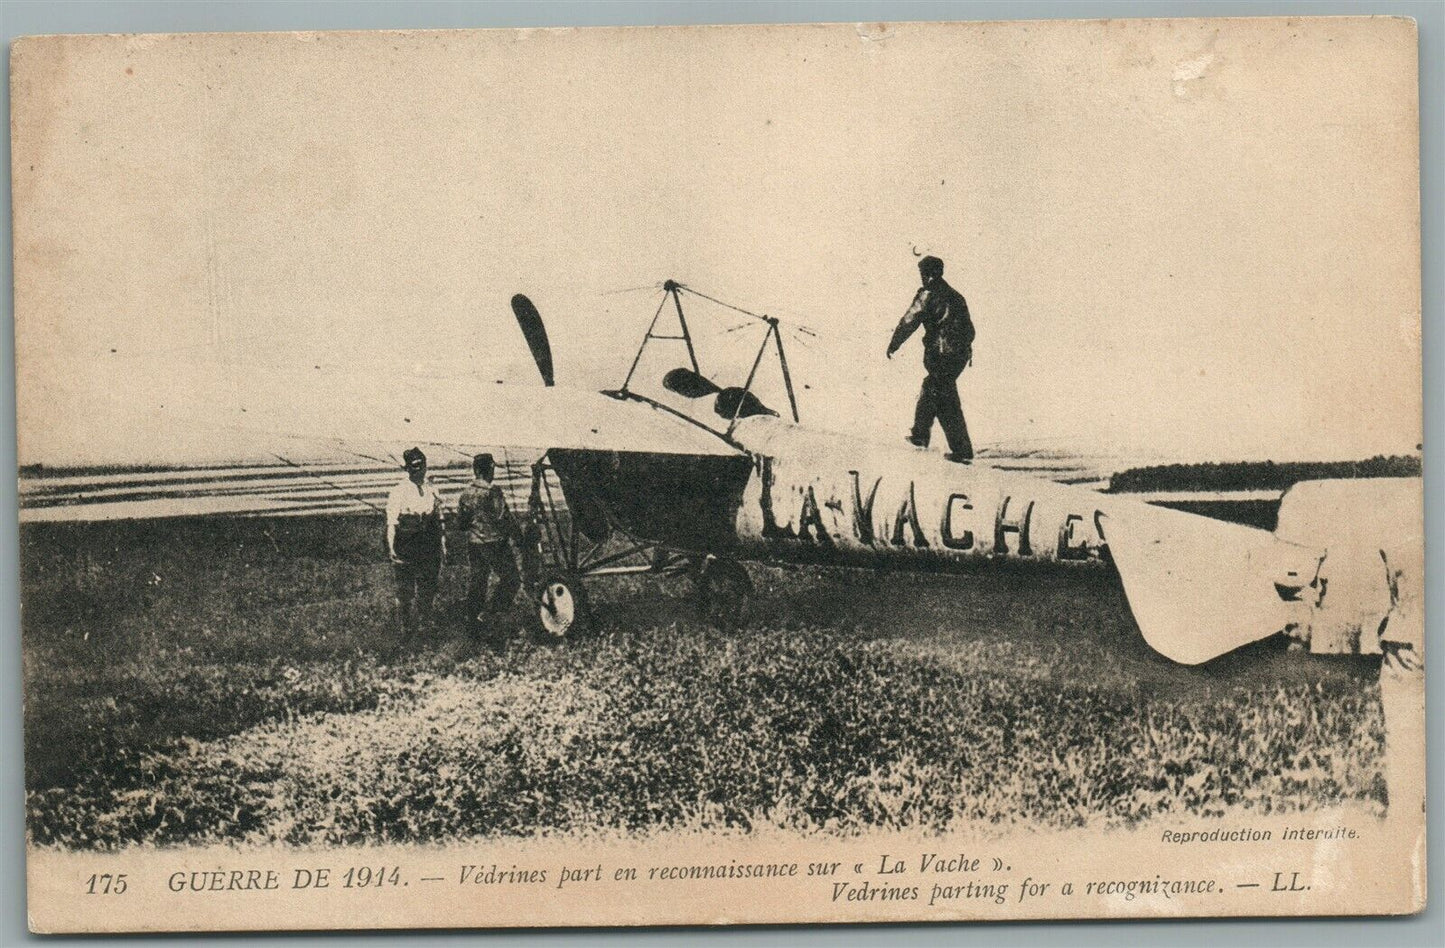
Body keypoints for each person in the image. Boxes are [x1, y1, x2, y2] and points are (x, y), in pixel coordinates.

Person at [886, 255, 975, 462]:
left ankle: (931, 440)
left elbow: (910, 320)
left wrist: (894, 343)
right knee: (940, 394)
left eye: (922, 273)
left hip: (941, 354)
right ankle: (927, 438)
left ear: (927, 273)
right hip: (959, 356)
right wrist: (961, 348)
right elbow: (970, 330)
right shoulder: (956, 296)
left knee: (937, 392)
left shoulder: (928, 294)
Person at [455, 452, 522, 645]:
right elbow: (504, 519)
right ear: (491, 469)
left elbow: (461, 524)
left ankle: (473, 625)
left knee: (478, 583)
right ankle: (490, 614)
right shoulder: (494, 492)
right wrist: (519, 539)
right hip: (495, 544)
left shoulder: (465, 494)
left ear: (475, 470)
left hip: (474, 545)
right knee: (512, 580)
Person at [384, 447, 446, 639]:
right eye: (414, 467)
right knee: (405, 588)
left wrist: (443, 543)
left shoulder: (432, 489)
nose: (419, 470)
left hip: (428, 542)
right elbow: (392, 523)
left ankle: (426, 623)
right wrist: (392, 547)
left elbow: (439, 518)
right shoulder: (398, 491)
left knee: (428, 585)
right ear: (408, 469)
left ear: (426, 466)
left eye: (422, 466)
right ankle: (406, 626)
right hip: (407, 542)